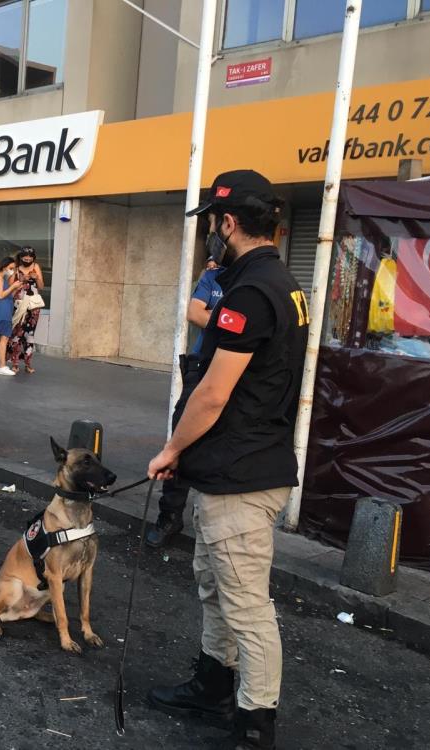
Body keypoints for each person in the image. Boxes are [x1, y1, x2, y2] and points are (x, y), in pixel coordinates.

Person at [145, 170, 308, 750]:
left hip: (241, 472)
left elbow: (213, 393)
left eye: (213, 223)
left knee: (246, 603)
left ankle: (255, 723)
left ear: (229, 223)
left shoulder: (249, 291)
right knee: (216, 586)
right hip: (234, 468)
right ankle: (213, 685)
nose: (211, 233)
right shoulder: (279, 282)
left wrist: (171, 449)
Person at [146, 257, 224, 548]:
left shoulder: (252, 280)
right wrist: (235, 323)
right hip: (202, 365)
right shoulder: (212, 277)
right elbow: (195, 312)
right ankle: (169, 516)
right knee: (182, 437)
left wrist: (217, 318)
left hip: (238, 373)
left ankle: (210, 520)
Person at [8, 247, 45, 374]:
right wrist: (20, 280)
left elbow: (41, 286)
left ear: (33, 257)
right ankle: (15, 362)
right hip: (19, 305)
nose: (27, 258)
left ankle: (28, 363)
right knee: (17, 333)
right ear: (21, 257)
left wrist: (37, 278)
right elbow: (10, 286)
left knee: (30, 335)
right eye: (25, 256)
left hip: (33, 307)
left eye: (30, 256)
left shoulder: (36, 267)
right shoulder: (16, 268)